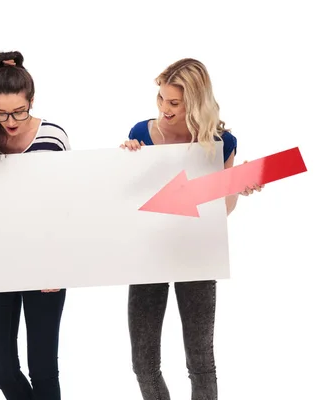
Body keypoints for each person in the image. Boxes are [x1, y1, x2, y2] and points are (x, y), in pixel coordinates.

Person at [120, 58, 263, 400]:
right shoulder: (141, 133)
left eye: (174, 103)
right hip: (148, 255)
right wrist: (125, 159)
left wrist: (235, 188)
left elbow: (221, 212)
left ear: (195, 102)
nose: (164, 109)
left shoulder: (221, 142)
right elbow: (128, 200)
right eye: (160, 99)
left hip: (196, 255)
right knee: (143, 363)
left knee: (201, 362)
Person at [0, 51, 69, 400]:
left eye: (19, 111)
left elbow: (68, 206)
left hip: (43, 263)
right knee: (1, 367)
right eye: (1, 113)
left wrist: (58, 264)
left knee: (43, 368)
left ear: (31, 101)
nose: (11, 120)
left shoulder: (53, 137)